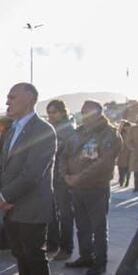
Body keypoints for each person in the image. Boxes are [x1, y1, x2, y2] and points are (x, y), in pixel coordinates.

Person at [0, 83, 56, 275]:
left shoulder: (43, 130)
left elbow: (32, 173)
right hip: (11, 206)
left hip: (31, 207)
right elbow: (2, 166)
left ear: (29, 98)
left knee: (34, 257)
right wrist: (0, 194)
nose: (7, 101)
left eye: (12, 97)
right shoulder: (13, 129)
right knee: (21, 255)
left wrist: (6, 196)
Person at [62, 101, 122, 275]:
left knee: (98, 228)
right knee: (82, 226)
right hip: (77, 188)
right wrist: (65, 175)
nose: (84, 115)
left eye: (88, 112)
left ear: (98, 113)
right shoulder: (78, 132)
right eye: (83, 112)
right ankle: (85, 257)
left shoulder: (109, 134)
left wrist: (79, 177)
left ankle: (100, 262)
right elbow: (64, 155)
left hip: (96, 188)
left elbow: (104, 162)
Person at [45, 100, 75, 261]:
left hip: (62, 177)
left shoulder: (68, 130)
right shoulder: (50, 128)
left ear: (63, 112)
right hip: (50, 176)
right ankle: (52, 243)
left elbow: (67, 155)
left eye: (54, 112)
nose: (51, 115)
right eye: (49, 112)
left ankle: (66, 247)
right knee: (51, 213)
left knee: (65, 214)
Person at [117, 120, 133, 188]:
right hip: (122, 153)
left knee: (128, 168)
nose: (127, 128)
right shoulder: (120, 133)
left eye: (128, 127)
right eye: (125, 127)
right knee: (121, 167)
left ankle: (127, 181)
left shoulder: (132, 134)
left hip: (130, 153)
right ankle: (121, 180)